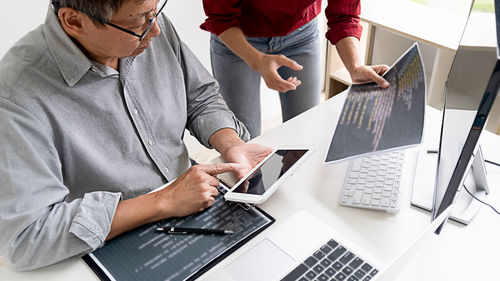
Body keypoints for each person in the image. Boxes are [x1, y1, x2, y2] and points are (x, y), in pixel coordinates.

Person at [0, 0, 272, 271]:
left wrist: (231, 143)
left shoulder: (149, 25)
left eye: (155, 12)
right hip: (115, 245)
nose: (154, 30)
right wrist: (163, 201)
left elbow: (200, 96)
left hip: (199, 205)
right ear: (74, 21)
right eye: (137, 23)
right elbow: (26, 238)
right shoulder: (16, 94)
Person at [201, 0, 390, 138]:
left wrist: (355, 66)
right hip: (237, 38)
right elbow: (220, 16)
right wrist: (257, 60)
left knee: (303, 136)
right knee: (245, 140)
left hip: (301, 36)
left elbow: (344, 14)